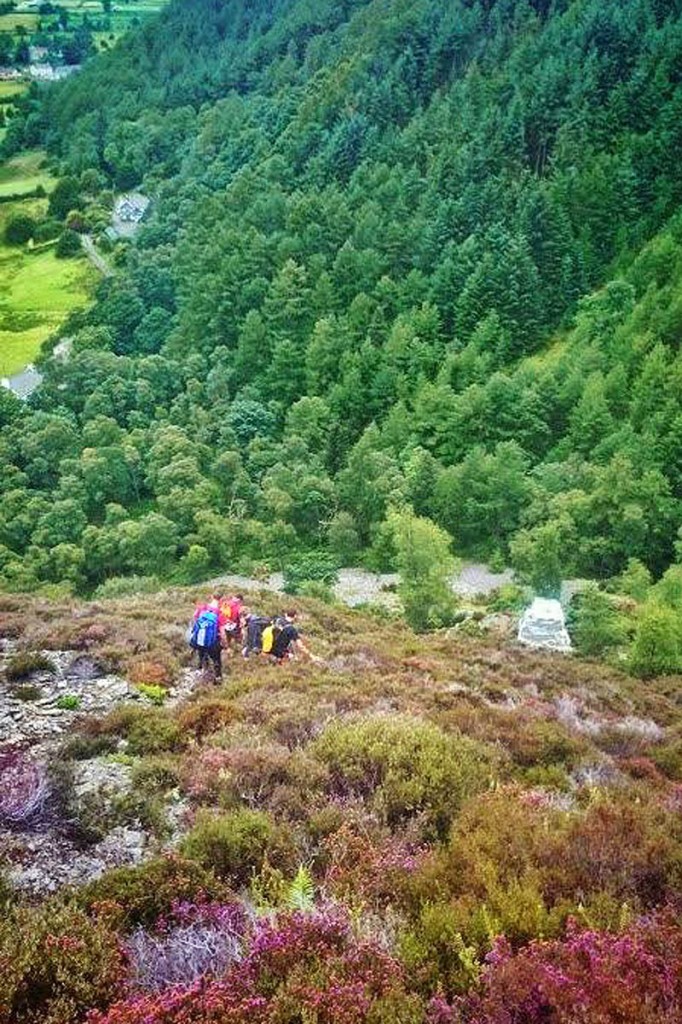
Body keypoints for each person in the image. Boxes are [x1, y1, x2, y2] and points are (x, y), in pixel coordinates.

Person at [190, 591, 229, 682]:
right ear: (221, 600)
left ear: (211, 597)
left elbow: (194, 619)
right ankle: (218, 678)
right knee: (216, 660)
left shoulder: (202, 608)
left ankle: (203, 673)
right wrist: (226, 645)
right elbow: (222, 633)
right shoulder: (220, 613)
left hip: (200, 640)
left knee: (203, 656)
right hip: (213, 642)